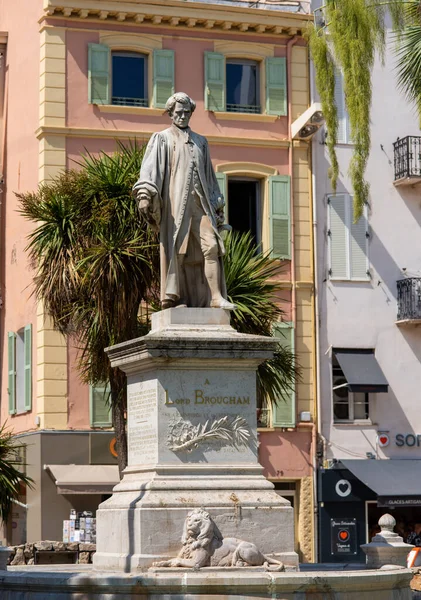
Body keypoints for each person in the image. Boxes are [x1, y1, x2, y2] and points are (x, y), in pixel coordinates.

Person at [133, 92, 235, 310]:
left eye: (186, 112)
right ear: (170, 114)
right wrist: (144, 195)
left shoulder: (201, 142)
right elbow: (149, 170)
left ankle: (215, 297)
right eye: (178, 112)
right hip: (176, 206)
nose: (182, 116)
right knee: (178, 250)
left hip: (201, 205)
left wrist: (217, 203)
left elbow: (209, 176)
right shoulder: (162, 139)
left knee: (212, 247)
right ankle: (175, 298)